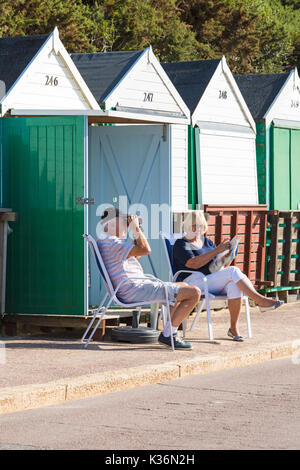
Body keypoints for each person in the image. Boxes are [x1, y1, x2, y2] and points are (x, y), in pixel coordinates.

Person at [97, 207, 201, 350]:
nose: (125, 226)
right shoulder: (112, 243)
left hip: (134, 287)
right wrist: (136, 230)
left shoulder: (108, 242)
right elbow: (146, 250)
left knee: (182, 286)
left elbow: (137, 254)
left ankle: (170, 333)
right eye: (123, 222)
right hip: (134, 289)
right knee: (194, 293)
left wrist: (135, 231)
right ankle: (168, 335)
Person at [172, 211, 283, 342]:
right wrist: (217, 250)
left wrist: (228, 255)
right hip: (193, 282)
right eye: (194, 225)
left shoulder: (207, 242)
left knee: (233, 285)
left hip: (211, 279)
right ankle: (260, 300)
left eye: (200, 225)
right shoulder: (181, 244)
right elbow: (194, 264)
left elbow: (219, 265)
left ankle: (233, 328)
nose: (197, 229)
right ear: (187, 226)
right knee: (233, 271)